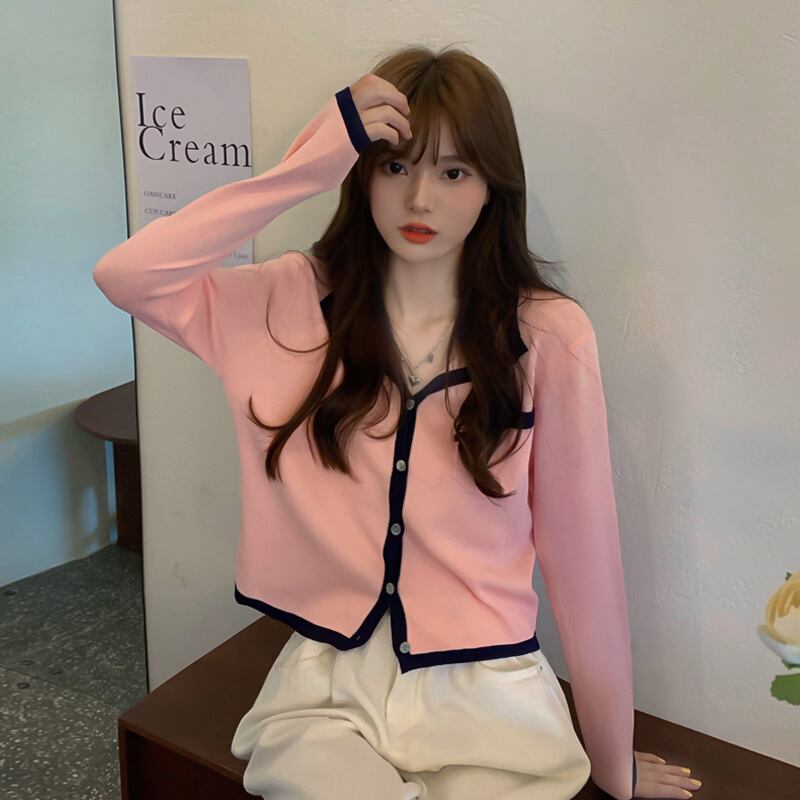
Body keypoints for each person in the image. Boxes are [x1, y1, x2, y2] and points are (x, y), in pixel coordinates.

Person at [93, 44, 702, 800]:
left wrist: (612, 761)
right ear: (362, 172)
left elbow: (584, 557)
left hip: (489, 689)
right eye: (394, 165)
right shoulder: (285, 302)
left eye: (454, 172)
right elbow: (126, 275)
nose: (419, 199)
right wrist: (310, 164)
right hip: (328, 688)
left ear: (493, 186)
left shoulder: (547, 334)